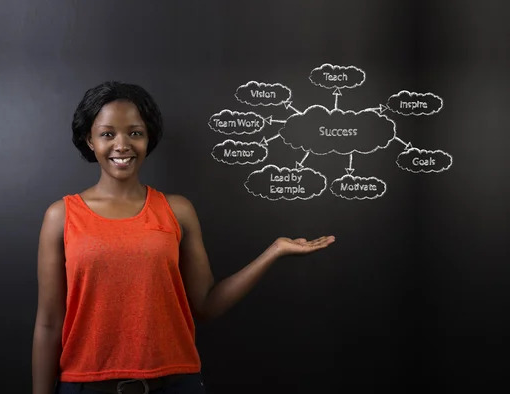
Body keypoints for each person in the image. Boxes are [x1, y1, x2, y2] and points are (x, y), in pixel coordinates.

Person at [31, 81, 335, 394]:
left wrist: (274, 251)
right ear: (89, 140)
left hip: (176, 385)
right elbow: (49, 324)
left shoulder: (177, 210)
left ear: (148, 138)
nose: (122, 144)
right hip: (84, 386)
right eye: (108, 134)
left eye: (135, 133)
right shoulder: (62, 216)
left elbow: (206, 305)